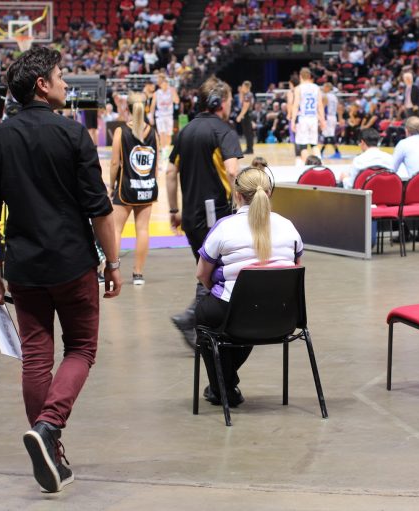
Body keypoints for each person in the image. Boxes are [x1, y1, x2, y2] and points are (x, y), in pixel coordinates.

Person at [0, 46, 122, 494]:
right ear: (42, 84)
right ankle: (48, 427)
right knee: (81, 349)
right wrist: (113, 263)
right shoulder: (72, 135)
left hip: (23, 267)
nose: (65, 83)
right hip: (72, 263)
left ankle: (51, 457)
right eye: (60, 76)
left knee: (37, 357)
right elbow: (99, 210)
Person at [196, 166, 303, 406]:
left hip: (237, 311)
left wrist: (216, 285)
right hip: (283, 316)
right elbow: (296, 270)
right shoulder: (289, 226)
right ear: (269, 193)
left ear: (237, 195)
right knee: (253, 308)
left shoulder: (224, 227)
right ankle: (226, 382)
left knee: (207, 317)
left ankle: (222, 386)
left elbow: (202, 274)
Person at [167, 76, 243, 348]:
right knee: (213, 269)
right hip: (215, 214)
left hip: (190, 215)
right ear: (220, 102)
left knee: (208, 268)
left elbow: (170, 172)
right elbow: (233, 170)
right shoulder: (224, 131)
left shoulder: (185, 131)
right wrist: (242, 204)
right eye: (231, 100)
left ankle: (199, 322)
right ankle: (196, 323)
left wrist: (174, 209)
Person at [110, 92, 158, 285]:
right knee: (143, 230)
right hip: (147, 186)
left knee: (115, 230)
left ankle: (112, 272)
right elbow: (154, 163)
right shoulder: (153, 132)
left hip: (126, 188)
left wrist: (110, 186)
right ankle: (138, 274)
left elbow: (115, 163)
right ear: (145, 107)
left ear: (127, 108)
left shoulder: (121, 131)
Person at [290, 67, 325, 167]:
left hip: (303, 118)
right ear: (310, 76)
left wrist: (293, 121)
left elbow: (296, 105)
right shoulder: (316, 88)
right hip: (313, 118)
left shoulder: (298, 88)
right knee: (314, 144)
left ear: (300, 76)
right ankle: (320, 165)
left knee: (303, 145)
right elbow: (320, 105)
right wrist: (322, 120)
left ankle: (306, 168)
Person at [153, 73, 179, 161]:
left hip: (169, 116)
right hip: (160, 116)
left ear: (167, 84)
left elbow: (177, 101)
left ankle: (166, 149)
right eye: (162, 83)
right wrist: (150, 116)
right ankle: (164, 151)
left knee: (168, 135)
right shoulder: (157, 93)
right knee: (162, 134)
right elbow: (153, 105)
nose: (164, 85)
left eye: (166, 83)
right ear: (160, 85)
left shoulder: (171, 91)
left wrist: (174, 92)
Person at [320, 82, 341, 159]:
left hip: (328, 117)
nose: (323, 88)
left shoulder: (326, 96)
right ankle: (334, 152)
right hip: (334, 117)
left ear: (328, 88)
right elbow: (339, 108)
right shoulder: (334, 97)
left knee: (328, 135)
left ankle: (336, 152)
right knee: (329, 135)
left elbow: (322, 107)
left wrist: (321, 118)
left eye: (324, 87)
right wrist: (340, 118)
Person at [235, 80, 255, 154]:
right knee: (247, 133)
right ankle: (249, 148)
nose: (242, 87)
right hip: (247, 115)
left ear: (246, 87)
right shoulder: (247, 94)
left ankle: (250, 149)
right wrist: (241, 93)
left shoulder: (248, 95)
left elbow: (245, 107)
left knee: (248, 133)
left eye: (243, 86)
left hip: (247, 115)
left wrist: (240, 116)